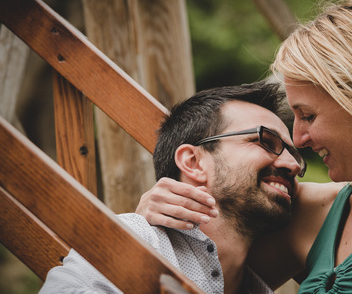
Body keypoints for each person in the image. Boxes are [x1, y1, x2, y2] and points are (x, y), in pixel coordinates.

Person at [135, 0, 352, 293]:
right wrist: (148, 222)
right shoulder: (312, 211)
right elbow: (211, 277)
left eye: (309, 116)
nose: (298, 142)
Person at [39, 81, 307, 294]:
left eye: (295, 155)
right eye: (266, 141)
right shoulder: (136, 238)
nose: (292, 165)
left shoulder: (256, 286)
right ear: (193, 162)